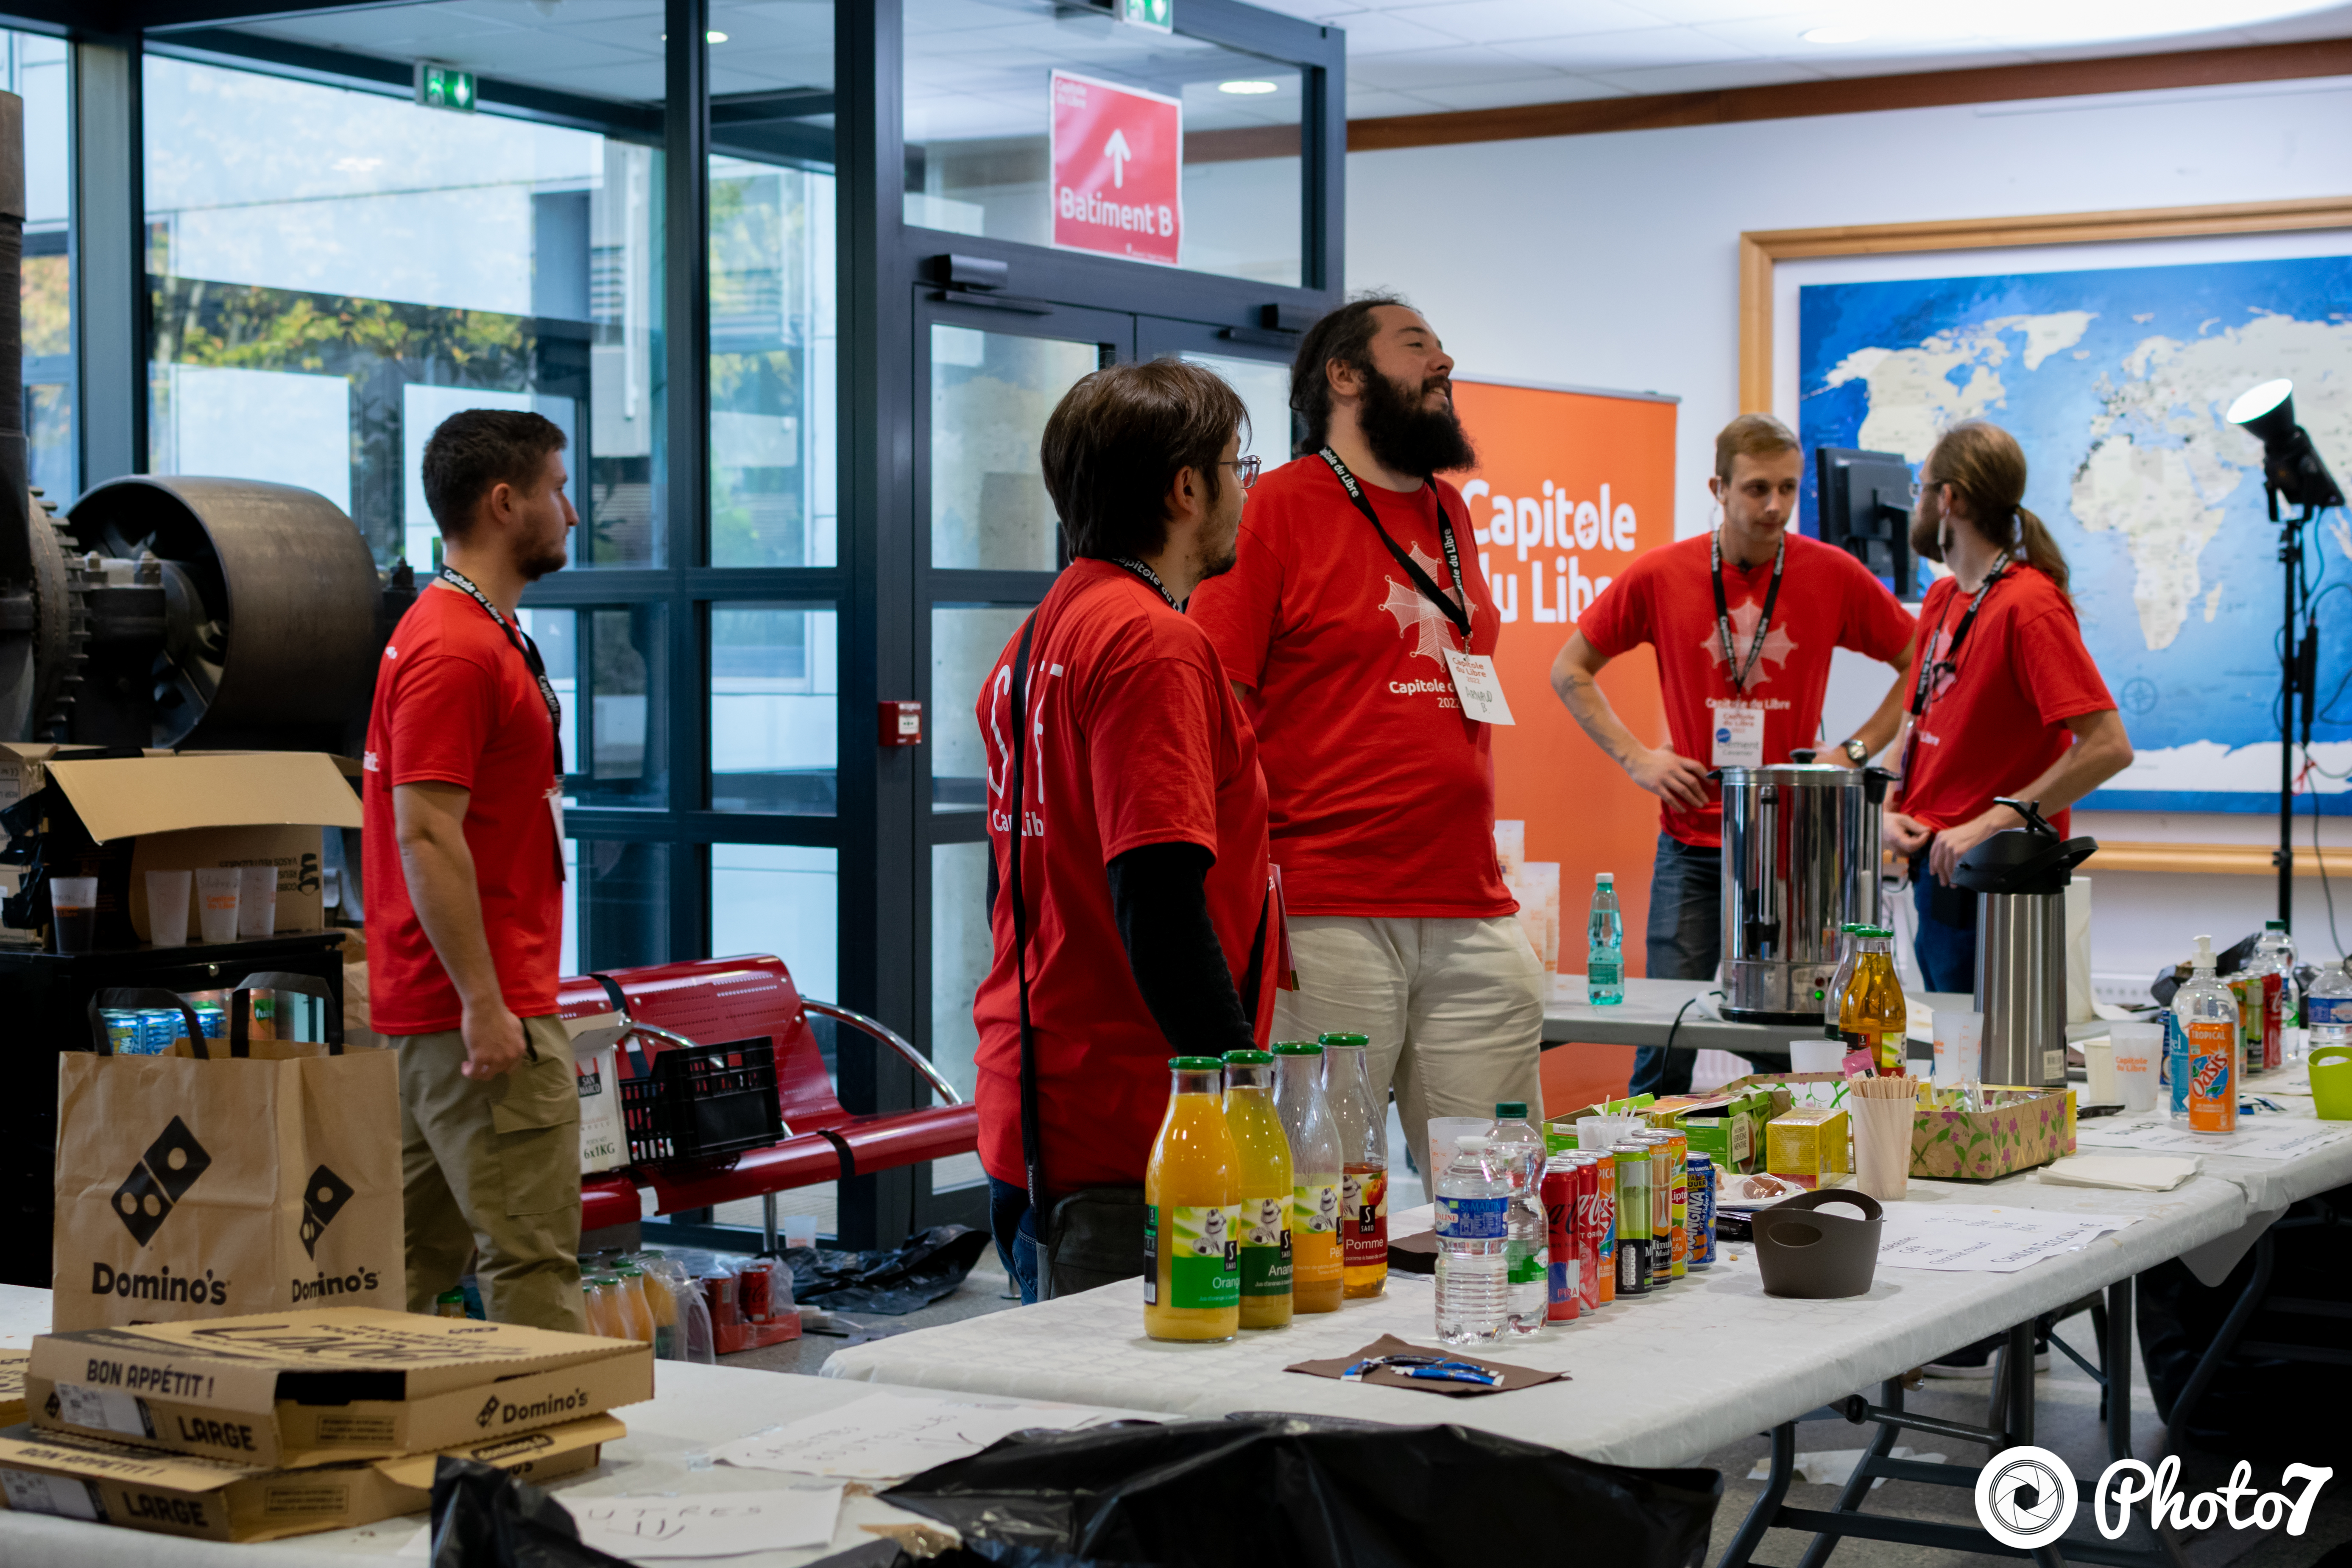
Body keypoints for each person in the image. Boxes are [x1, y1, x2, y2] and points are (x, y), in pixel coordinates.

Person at [1189, 295, 1541, 1186]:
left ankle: (1484, 1326)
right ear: (1343, 376)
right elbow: (1216, 705)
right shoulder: (1272, 508)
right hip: (1325, 902)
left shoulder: (1448, 512)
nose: (1445, 363)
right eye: (1417, 345)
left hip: (1467, 901)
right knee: (1324, 1195)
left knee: (1497, 1190)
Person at [974, 359, 1275, 1306]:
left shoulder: (1038, 636)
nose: (1244, 491)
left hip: (1042, 1096)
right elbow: (1156, 894)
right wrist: (1238, 1099)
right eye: (1240, 466)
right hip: (1129, 1122)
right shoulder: (1151, 643)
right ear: (1187, 487)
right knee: (1134, 1430)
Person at [1553, 414, 1916, 1096]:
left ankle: (1783, 1181)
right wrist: (1639, 759)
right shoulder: (1662, 574)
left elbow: (1916, 657)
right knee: (1667, 1036)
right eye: (1755, 489)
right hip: (1691, 842)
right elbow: (1570, 668)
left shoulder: (1831, 573)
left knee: (1776, 1047)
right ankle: (1647, 1173)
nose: (1774, 506)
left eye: (1787, 487)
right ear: (1717, 487)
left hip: (1791, 852)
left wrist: (1858, 751)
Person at [363, 408, 584, 1333]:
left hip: (443, 1006)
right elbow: (425, 834)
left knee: (406, 1269)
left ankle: (394, 1458)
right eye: (556, 490)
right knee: (532, 1264)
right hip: (479, 1014)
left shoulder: (468, 631)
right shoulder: (454, 649)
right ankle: (554, 1467)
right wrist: (487, 1004)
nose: (570, 514)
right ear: (504, 503)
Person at [1881, 419, 2132, 994]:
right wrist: (1890, 806)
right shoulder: (1944, 598)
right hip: (1936, 867)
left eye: (1922, 489)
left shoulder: (2029, 605)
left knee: (1993, 1074)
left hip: (1997, 876)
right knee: (1954, 1065)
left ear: (1949, 499)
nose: (1915, 505)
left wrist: (1993, 822)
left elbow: (2109, 746)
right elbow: (1919, 714)